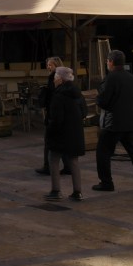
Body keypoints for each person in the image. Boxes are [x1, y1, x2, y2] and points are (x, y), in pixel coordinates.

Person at [92, 49, 133, 196]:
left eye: (108, 61)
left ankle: (106, 182)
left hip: (113, 123)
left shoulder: (111, 78)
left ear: (111, 62)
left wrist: (99, 99)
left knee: (103, 152)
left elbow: (104, 101)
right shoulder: (132, 78)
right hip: (130, 121)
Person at [44, 66, 86, 201]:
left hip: (60, 134)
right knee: (73, 161)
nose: (54, 79)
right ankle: (77, 192)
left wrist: (50, 132)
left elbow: (56, 119)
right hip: (75, 133)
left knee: (53, 159)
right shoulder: (77, 93)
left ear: (61, 79)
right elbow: (84, 112)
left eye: (56, 77)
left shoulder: (59, 96)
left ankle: (56, 190)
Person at [35, 56, 68, 176]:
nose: (48, 67)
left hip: (53, 114)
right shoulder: (65, 78)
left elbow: (53, 98)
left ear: (57, 66)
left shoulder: (53, 78)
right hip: (60, 114)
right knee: (62, 140)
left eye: (51, 65)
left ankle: (47, 166)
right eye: (48, 65)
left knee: (49, 141)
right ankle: (68, 166)